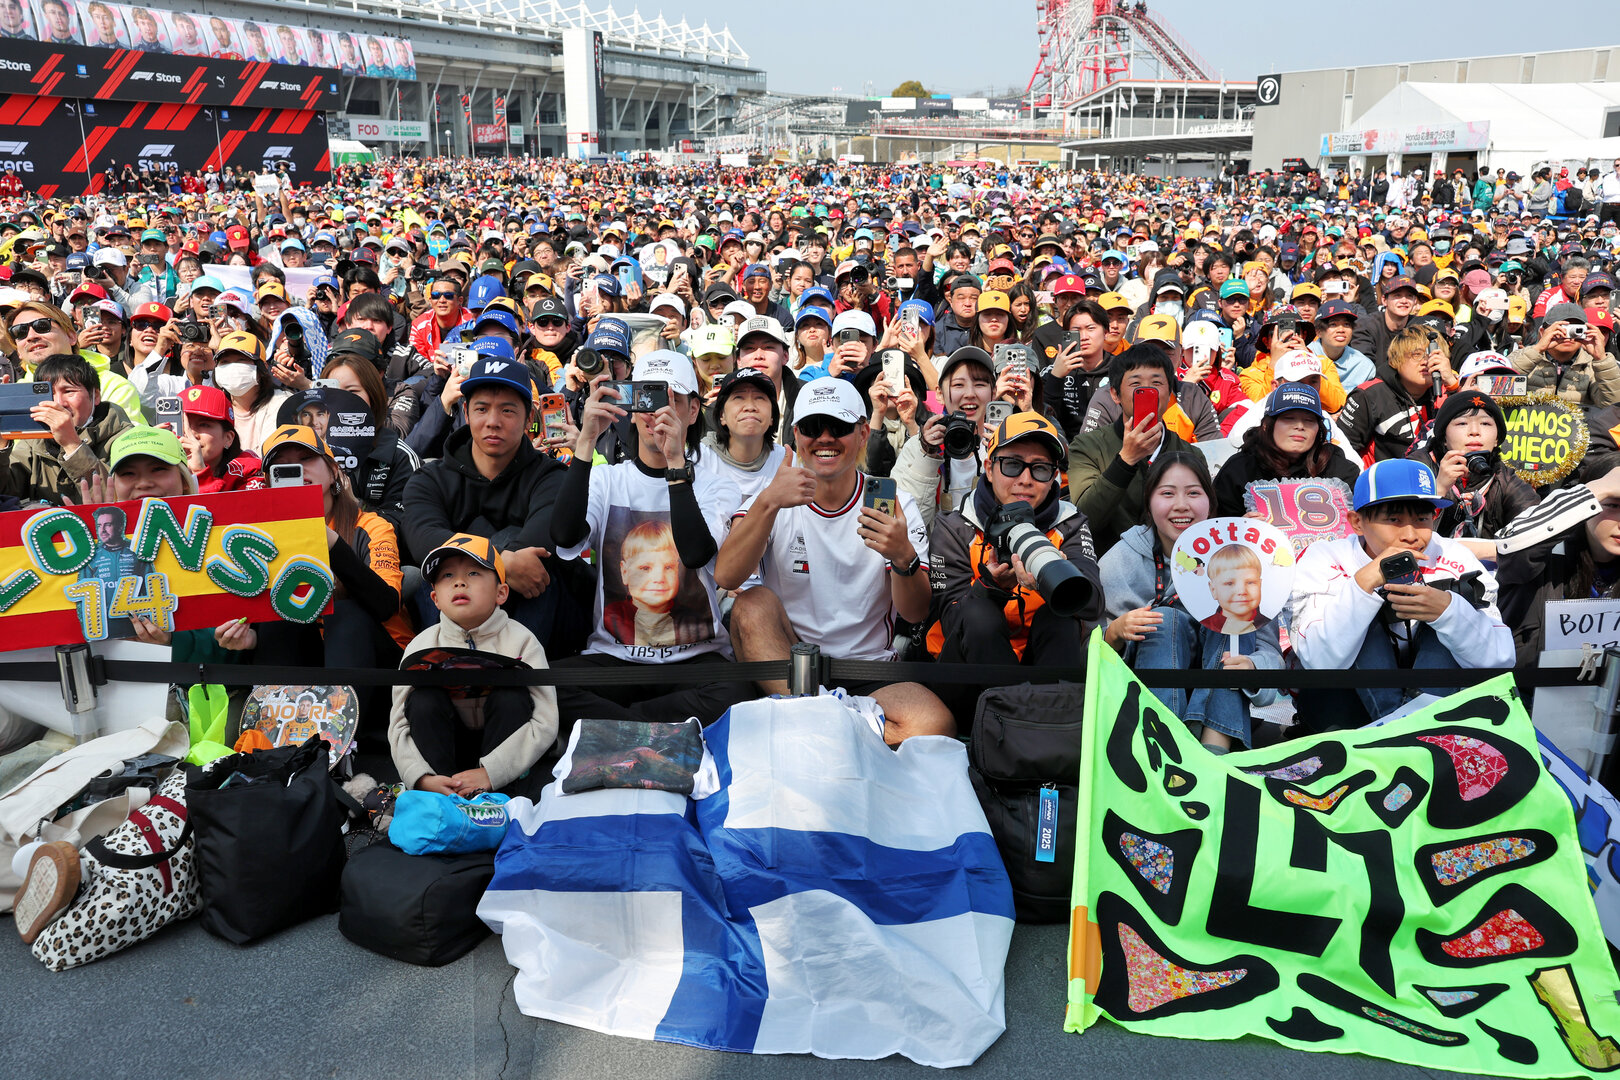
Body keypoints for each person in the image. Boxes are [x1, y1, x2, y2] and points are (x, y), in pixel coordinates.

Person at [720, 377, 954, 745]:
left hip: (867, 670)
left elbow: (915, 614)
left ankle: (811, 722)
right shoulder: (772, 498)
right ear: (796, 435)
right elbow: (727, 574)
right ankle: (833, 723)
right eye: (813, 427)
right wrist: (767, 502)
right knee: (749, 604)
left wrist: (902, 557)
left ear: (862, 434)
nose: (825, 438)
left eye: (839, 427)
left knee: (934, 723)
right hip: (791, 659)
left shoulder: (896, 505)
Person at [549, 350, 750, 728]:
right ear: (629, 406)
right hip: (617, 658)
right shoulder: (607, 479)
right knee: (542, 685)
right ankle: (654, 729)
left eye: (671, 400)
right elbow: (564, 537)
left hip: (696, 659)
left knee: (737, 693)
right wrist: (585, 444)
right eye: (647, 398)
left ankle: (622, 727)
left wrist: (677, 465)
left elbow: (694, 553)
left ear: (693, 412)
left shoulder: (717, 485)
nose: (657, 413)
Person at [1290, 458, 1514, 730]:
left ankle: (1402, 730)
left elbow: (1502, 658)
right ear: (1357, 522)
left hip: (1440, 705)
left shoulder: (1456, 557)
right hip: (1348, 705)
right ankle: (1403, 730)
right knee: (1359, 613)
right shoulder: (1325, 557)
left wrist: (1448, 612)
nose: (1410, 534)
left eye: (1422, 518)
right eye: (1394, 520)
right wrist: (1364, 584)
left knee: (1451, 607)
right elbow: (1318, 662)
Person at [1100, 452, 1281, 752]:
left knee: (1233, 612)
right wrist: (1116, 633)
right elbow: (1094, 656)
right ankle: (1163, 748)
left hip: (1226, 712)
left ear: (1210, 502)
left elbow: (1271, 655)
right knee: (1164, 621)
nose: (1181, 505)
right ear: (1148, 502)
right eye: (1167, 493)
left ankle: (1214, 751)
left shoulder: (1239, 555)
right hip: (1147, 701)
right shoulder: (1121, 560)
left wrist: (1252, 666)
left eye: (1194, 493)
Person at [402, 351, 584, 649]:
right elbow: (424, 539)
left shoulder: (551, 476)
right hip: (450, 614)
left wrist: (504, 558)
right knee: (437, 569)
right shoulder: (429, 479)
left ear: (530, 418)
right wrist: (504, 563)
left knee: (534, 562)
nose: (493, 422)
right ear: (466, 412)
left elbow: (540, 542)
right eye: (482, 409)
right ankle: (449, 666)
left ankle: (517, 674)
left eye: (508, 411)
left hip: (533, 618)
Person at [927, 411, 1103, 691]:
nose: (1025, 479)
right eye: (1012, 465)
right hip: (966, 675)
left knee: (1060, 619)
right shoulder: (955, 525)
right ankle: (1009, 720)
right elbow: (951, 622)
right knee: (979, 615)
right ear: (988, 466)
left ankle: (1051, 716)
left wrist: (1052, 580)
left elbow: (1093, 605)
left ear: (1055, 476)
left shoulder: (1069, 522)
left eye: (1041, 468)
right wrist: (991, 589)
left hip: (1040, 664)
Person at [389, 534, 557, 796]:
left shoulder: (523, 641)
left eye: (474, 573)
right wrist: (420, 777)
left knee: (511, 698)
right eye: (447, 576)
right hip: (443, 756)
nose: (459, 582)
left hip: (503, 764)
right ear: (435, 599)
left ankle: (501, 798)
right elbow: (398, 723)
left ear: (501, 593)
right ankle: (438, 797)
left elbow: (545, 719)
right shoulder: (420, 645)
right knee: (423, 700)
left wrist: (493, 772)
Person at [1067, 343, 1195, 554]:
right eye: (1136, 384)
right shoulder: (1087, 446)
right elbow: (1085, 519)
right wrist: (1126, 460)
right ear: (1115, 394)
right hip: (1110, 567)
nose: (1148, 390)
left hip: (1177, 567)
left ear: (1170, 392)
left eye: (1157, 382)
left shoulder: (1189, 453)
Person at [1496, 466, 1620, 668]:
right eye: (1613, 505)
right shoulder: (1544, 555)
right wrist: (1595, 489)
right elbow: (1509, 546)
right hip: (1527, 694)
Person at [1406, 388, 1539, 558]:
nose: (1474, 431)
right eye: (1462, 423)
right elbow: (1398, 533)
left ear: (1497, 438)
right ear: (1444, 438)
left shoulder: (1504, 478)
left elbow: (1534, 533)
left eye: (1486, 423)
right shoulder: (1416, 468)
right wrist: (1438, 489)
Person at [1212, 383, 1360, 517]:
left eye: (1309, 420)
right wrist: (1238, 525)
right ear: (1266, 425)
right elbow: (1215, 524)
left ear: (1319, 429)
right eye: (1289, 418)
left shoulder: (1339, 469)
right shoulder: (1239, 470)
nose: (1300, 426)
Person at [0, 352, 132, 503]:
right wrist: (2, 439)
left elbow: (120, 501)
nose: (58, 403)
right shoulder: (34, 441)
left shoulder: (125, 437)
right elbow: (6, 491)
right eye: (49, 393)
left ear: (95, 396)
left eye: (68, 391)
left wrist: (72, 444)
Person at [892, 345, 995, 528]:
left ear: (993, 393)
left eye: (980, 384)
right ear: (939, 394)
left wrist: (1004, 458)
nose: (970, 394)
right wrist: (928, 456)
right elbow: (906, 524)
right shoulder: (918, 447)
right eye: (958, 385)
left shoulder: (1006, 445)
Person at [1508, 303, 1620, 407]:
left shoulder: (1594, 366)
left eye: (1575, 330)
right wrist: (1538, 349)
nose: (1568, 336)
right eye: (1561, 329)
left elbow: (1612, 405)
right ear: (1542, 332)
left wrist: (1601, 359)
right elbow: (1499, 389)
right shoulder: (1521, 356)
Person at [212, 330, 288, 455]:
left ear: (262, 367)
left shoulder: (282, 404)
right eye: (225, 362)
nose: (233, 368)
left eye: (241, 360)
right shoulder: (214, 408)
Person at [178, 384, 264, 493]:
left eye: (204, 425)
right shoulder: (164, 468)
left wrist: (200, 474)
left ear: (228, 438)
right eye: (184, 424)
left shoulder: (247, 471)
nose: (191, 434)